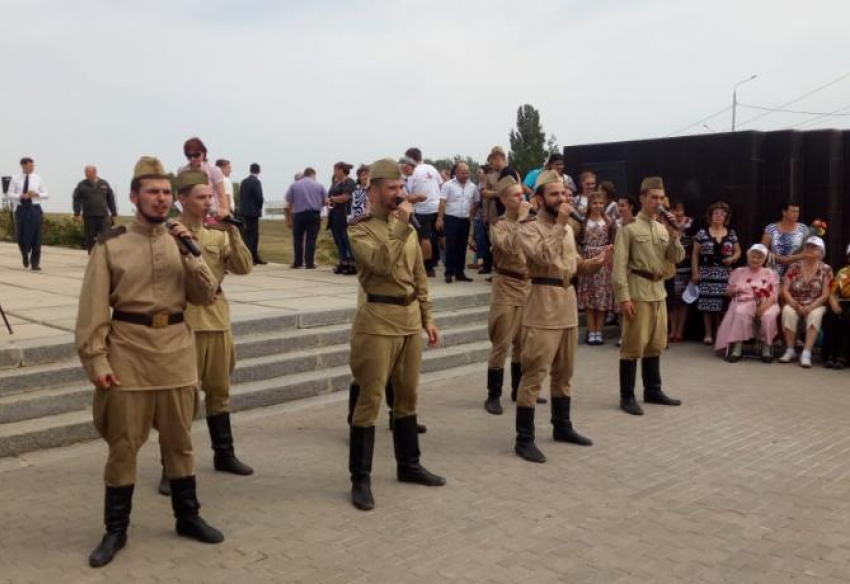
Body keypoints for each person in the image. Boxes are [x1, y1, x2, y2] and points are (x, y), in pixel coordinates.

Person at [75, 157, 223, 568]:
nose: (160, 200)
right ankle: (115, 529)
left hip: (176, 353)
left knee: (180, 443)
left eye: (165, 193)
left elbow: (205, 296)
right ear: (134, 196)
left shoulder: (182, 240)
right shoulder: (111, 245)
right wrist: (97, 360)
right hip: (128, 355)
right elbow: (91, 311)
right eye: (152, 192)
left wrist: (189, 251)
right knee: (124, 447)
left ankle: (188, 517)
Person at [346, 158, 444, 511]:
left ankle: (410, 465)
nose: (400, 194)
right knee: (370, 401)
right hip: (377, 320)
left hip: (408, 319)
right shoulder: (359, 229)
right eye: (392, 189)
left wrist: (428, 317)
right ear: (373, 192)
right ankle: (360, 479)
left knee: (408, 397)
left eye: (401, 188)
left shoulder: (410, 230)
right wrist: (402, 226)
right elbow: (381, 265)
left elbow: (419, 276)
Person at [154, 169, 255, 496]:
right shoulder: (167, 234)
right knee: (179, 401)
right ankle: (172, 468)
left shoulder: (217, 233)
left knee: (219, 390)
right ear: (181, 199)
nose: (208, 201)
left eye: (209, 196)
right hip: (184, 323)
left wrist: (234, 233)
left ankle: (224, 454)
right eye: (200, 197)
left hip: (217, 320)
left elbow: (243, 267)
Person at [513, 171, 609, 463]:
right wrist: (562, 223)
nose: (563, 198)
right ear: (539, 199)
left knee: (564, 374)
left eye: (565, 194)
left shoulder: (567, 230)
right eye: (555, 194)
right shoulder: (529, 228)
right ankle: (524, 438)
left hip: (567, 305)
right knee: (533, 375)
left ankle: (562, 426)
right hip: (542, 306)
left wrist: (595, 263)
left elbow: (571, 264)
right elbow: (543, 256)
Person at [613, 177, 685, 416]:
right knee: (633, 346)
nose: (657, 202)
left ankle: (653, 390)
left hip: (658, 291)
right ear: (642, 198)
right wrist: (623, 297)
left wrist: (675, 233)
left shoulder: (663, 228)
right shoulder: (629, 229)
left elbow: (676, 258)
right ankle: (627, 396)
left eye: (661, 198)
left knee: (656, 344)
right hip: (638, 291)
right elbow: (619, 266)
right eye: (653, 197)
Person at [483, 176, 531, 415]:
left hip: (526, 287)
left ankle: (517, 389)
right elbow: (511, 247)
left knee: (523, 343)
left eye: (521, 194)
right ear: (503, 200)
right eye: (515, 195)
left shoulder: (530, 223)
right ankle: (493, 395)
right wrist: (521, 220)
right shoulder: (498, 225)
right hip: (505, 286)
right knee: (501, 343)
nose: (521, 198)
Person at [714, 244, 780, 362]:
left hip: (767, 302)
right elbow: (728, 292)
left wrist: (763, 307)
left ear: (764, 260)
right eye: (753, 256)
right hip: (744, 301)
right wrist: (733, 290)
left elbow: (774, 295)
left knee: (768, 316)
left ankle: (766, 348)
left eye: (759, 258)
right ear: (748, 256)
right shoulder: (738, 272)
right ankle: (737, 348)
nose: (755, 259)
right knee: (740, 312)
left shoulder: (770, 273)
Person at [779, 236, 833, 368]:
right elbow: (785, 289)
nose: (809, 249)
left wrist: (810, 307)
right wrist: (793, 303)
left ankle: (806, 353)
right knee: (787, 311)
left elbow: (826, 294)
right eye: (807, 246)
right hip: (795, 302)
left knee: (815, 315)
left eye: (814, 247)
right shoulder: (794, 267)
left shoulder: (826, 269)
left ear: (821, 252)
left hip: (816, 304)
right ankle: (790, 350)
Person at [691, 202, 741, 345]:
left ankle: (721, 332)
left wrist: (732, 258)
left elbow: (738, 251)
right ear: (710, 216)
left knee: (722, 304)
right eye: (716, 213)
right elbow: (695, 254)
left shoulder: (731, 233)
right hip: (707, 273)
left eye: (722, 214)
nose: (719, 216)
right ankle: (708, 334)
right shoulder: (702, 233)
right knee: (706, 304)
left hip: (725, 274)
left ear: (726, 216)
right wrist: (695, 272)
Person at [577, 192, 616, 345]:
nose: (598, 206)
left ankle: (598, 332)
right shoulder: (583, 221)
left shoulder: (609, 221)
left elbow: (613, 239)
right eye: (595, 203)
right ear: (589, 205)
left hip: (603, 260)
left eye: (601, 203)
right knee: (589, 298)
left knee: (601, 298)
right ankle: (591, 331)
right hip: (587, 258)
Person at [400, 148, 443, 277]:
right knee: (438, 237)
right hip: (436, 207)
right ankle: (447, 262)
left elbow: (407, 193)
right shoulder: (432, 168)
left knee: (424, 238)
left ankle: (428, 267)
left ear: (410, 159)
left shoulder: (413, 172)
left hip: (422, 209)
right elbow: (441, 185)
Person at [438, 162, 478, 283]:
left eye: (467, 172)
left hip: (465, 220)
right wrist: (440, 218)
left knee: (462, 247)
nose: (466, 175)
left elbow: (476, 201)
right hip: (451, 219)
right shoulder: (448, 185)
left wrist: (471, 215)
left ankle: (460, 273)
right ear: (456, 173)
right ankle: (449, 273)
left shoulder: (473, 186)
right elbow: (443, 202)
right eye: (463, 173)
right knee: (450, 246)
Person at [6, 157, 48, 270]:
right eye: (30, 165)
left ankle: (35, 263)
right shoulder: (15, 178)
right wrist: (20, 195)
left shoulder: (38, 178)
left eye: (33, 165)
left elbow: (46, 194)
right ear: (23, 166)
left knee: (36, 235)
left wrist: (37, 194)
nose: (32, 167)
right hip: (21, 209)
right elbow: (9, 194)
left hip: (34, 208)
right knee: (21, 236)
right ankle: (25, 253)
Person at [285, 168, 327, 269]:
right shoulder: (319, 185)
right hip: (314, 214)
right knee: (311, 239)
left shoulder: (294, 185)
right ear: (313, 174)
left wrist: (289, 217)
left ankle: (298, 262)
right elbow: (326, 201)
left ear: (304, 174)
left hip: (299, 214)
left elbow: (289, 200)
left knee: (298, 239)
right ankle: (309, 263)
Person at [478, 147, 510, 275]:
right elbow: (485, 197)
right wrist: (485, 213)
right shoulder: (489, 176)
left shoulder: (509, 173)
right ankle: (491, 266)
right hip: (493, 210)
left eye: (492, 161)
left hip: (504, 210)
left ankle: (499, 269)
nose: (491, 164)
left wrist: (491, 193)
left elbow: (510, 192)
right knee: (492, 240)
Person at [179, 137, 229, 218]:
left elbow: (221, 195)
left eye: (196, 155)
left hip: (210, 214)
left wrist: (225, 214)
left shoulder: (213, 170)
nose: (192, 158)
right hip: (190, 213)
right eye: (189, 156)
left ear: (203, 153)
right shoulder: (182, 171)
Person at [73, 165, 118, 252]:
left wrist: (114, 213)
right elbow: (76, 199)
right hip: (89, 217)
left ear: (94, 172)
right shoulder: (81, 185)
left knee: (107, 238)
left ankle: (106, 258)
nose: (86, 174)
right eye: (85, 173)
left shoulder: (104, 183)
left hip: (103, 216)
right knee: (90, 239)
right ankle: (92, 258)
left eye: (88, 172)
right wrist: (77, 213)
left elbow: (110, 199)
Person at [667, 201, 694, 342]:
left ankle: (679, 331)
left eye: (680, 210)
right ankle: (672, 330)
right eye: (674, 210)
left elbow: (694, 248)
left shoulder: (691, 225)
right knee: (671, 300)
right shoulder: (666, 224)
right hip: (671, 267)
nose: (677, 213)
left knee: (684, 300)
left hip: (686, 268)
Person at [761, 202, 810, 279]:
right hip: (773, 272)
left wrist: (793, 258)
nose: (796, 214)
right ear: (784, 212)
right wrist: (778, 258)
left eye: (798, 211)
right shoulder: (771, 228)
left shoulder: (803, 229)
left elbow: (808, 251)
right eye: (793, 211)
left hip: (796, 273)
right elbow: (762, 249)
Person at [822, 244, 850, 368]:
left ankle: (843, 356)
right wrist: (833, 304)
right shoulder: (843, 272)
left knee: (849, 316)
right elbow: (832, 293)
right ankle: (830, 356)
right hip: (842, 301)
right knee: (830, 315)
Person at [328, 162, 357, 274]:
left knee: (346, 239)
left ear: (341, 170)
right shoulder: (335, 182)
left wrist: (332, 199)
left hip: (345, 214)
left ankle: (352, 263)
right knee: (338, 239)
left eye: (335, 170)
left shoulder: (349, 182)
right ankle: (343, 261)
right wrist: (331, 199)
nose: (334, 172)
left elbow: (346, 197)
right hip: (334, 215)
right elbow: (330, 196)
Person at [239, 163, 266, 265]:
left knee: (247, 234)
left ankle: (253, 256)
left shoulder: (244, 182)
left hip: (244, 211)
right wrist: (259, 206)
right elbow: (259, 197)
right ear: (259, 171)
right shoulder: (256, 182)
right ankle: (251, 257)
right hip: (253, 212)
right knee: (253, 235)